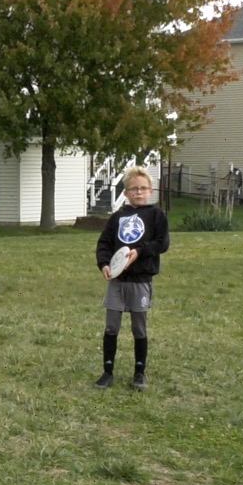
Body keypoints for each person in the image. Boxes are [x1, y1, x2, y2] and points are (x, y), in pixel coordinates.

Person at [94, 166, 170, 390]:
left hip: (140, 282)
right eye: (134, 189)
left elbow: (162, 243)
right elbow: (104, 244)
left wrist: (140, 252)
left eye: (143, 188)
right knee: (111, 327)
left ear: (151, 191)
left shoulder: (157, 215)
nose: (139, 192)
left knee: (139, 328)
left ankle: (139, 373)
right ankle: (107, 372)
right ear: (126, 193)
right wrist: (104, 264)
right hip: (117, 282)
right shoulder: (118, 217)